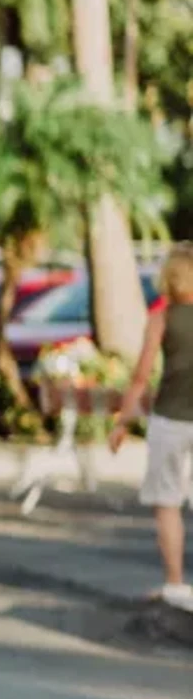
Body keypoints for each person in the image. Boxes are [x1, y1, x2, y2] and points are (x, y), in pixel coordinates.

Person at [112, 248, 193, 611]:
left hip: (170, 420)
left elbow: (141, 377)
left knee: (168, 502)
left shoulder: (161, 318)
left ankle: (175, 585)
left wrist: (121, 424)